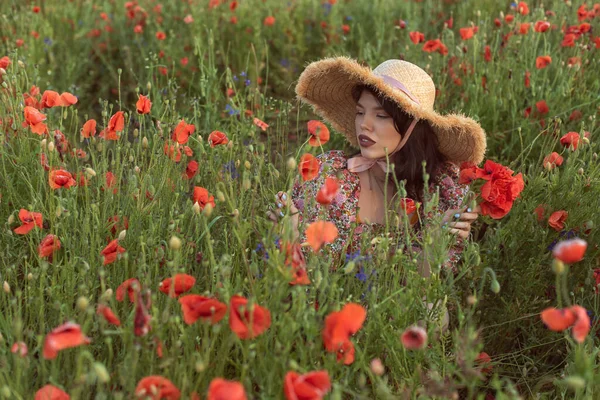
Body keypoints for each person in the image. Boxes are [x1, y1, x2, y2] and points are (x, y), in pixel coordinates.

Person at [269, 57, 487, 277]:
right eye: (360, 112)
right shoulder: (332, 176)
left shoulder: (435, 191)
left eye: (381, 115)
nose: (364, 124)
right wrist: (291, 234)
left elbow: (421, 288)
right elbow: (299, 282)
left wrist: (437, 240)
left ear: (412, 128)